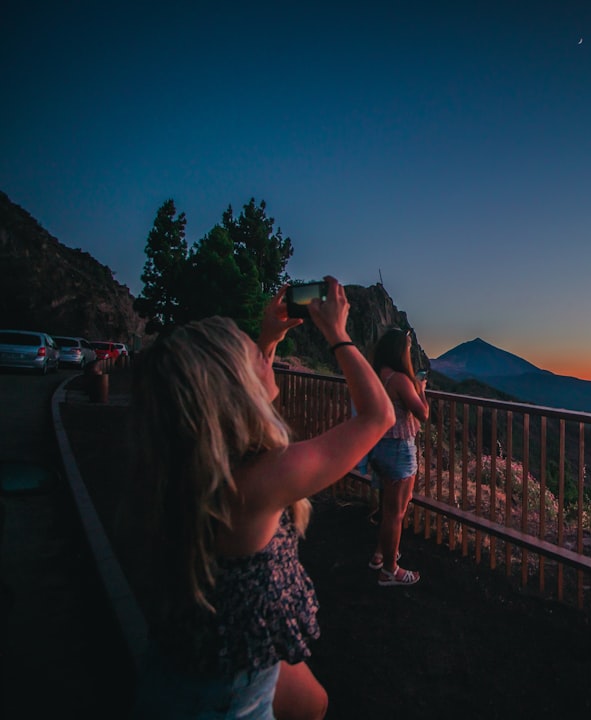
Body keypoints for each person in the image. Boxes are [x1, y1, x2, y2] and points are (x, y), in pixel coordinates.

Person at [127, 277, 394, 719]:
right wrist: (337, 332)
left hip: (201, 659)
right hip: (225, 701)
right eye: (247, 349)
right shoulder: (252, 486)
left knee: (314, 703)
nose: (259, 351)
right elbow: (377, 415)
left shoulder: (188, 469)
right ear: (233, 386)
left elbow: (247, 420)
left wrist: (269, 338)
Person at [366, 327, 429, 586]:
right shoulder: (401, 380)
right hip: (399, 449)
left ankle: (380, 555)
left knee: (387, 507)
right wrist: (422, 388)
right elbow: (422, 413)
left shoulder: (376, 376)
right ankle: (391, 571)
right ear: (400, 352)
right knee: (396, 513)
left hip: (378, 446)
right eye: (407, 348)